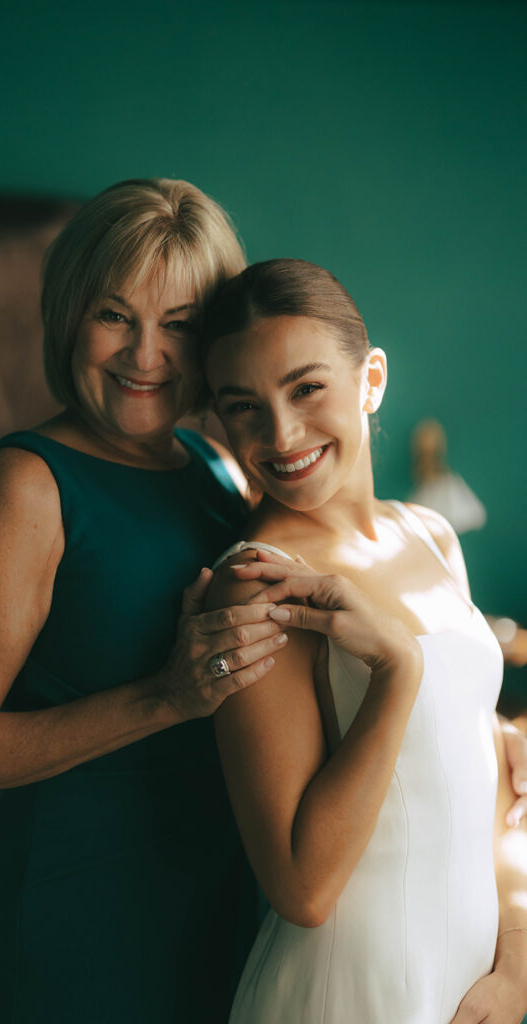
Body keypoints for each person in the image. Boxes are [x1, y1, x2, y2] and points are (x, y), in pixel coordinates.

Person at [0, 179, 288, 1023]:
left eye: (178, 323)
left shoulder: (216, 470)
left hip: (214, 899)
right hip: (73, 918)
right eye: (115, 315)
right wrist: (165, 695)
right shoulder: (25, 485)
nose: (144, 354)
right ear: (69, 315)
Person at [202, 258, 527, 1023]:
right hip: (353, 991)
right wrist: (394, 674)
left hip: (476, 984)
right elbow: (302, 888)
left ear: (369, 379)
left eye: (305, 388)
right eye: (243, 406)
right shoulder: (259, 583)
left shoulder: (432, 536)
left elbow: (482, 789)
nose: (280, 435)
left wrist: (514, 959)